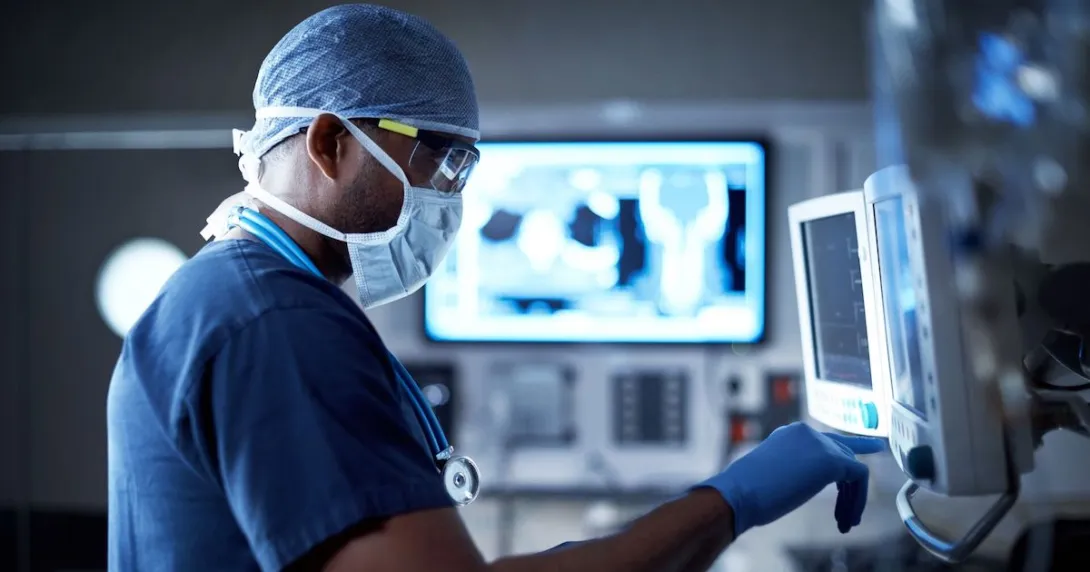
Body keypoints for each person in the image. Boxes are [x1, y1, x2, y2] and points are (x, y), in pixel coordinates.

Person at [105, 4, 886, 571]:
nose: (453, 199)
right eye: (443, 162)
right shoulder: (275, 321)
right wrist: (734, 500)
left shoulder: (231, 296)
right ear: (331, 141)